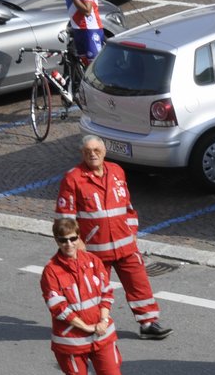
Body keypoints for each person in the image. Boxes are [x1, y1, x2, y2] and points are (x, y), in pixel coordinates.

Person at [39, 218, 148, 375]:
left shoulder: (93, 261)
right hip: (71, 342)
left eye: (72, 239)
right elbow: (59, 308)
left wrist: (104, 319)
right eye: (63, 240)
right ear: (56, 241)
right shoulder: (51, 271)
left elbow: (106, 292)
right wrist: (88, 327)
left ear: (79, 237)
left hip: (102, 336)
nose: (68, 244)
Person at [55, 137, 172, 340]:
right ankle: (89, 325)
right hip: (94, 250)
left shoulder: (117, 171)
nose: (93, 154)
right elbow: (65, 217)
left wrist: (132, 231)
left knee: (139, 283)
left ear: (104, 151)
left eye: (97, 150)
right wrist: (75, 243)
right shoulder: (73, 178)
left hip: (125, 245)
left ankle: (148, 323)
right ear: (82, 154)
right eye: (88, 151)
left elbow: (127, 206)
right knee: (93, 291)